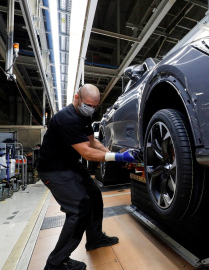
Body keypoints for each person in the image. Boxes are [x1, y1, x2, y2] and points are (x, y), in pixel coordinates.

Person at [38, 84, 136, 270]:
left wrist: (113, 154)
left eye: (94, 106)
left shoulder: (84, 116)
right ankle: (56, 263)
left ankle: (95, 239)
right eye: (88, 104)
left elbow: (92, 142)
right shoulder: (66, 118)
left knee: (94, 196)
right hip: (53, 169)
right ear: (77, 98)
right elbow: (87, 153)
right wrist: (118, 156)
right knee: (79, 208)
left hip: (71, 165)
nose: (91, 108)